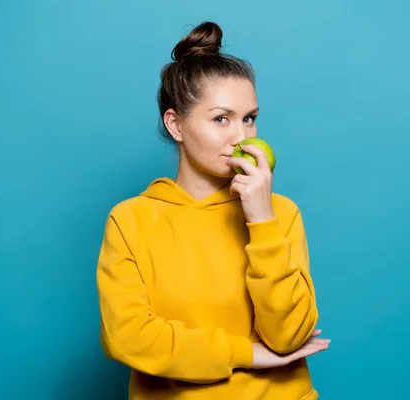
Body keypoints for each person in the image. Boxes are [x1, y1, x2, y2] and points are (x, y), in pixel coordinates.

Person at [96, 21, 330, 400]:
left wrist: (261, 220)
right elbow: (129, 338)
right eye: (221, 118)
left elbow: (289, 336)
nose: (241, 137)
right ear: (176, 125)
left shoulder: (279, 213)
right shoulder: (131, 220)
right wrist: (245, 355)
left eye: (249, 118)